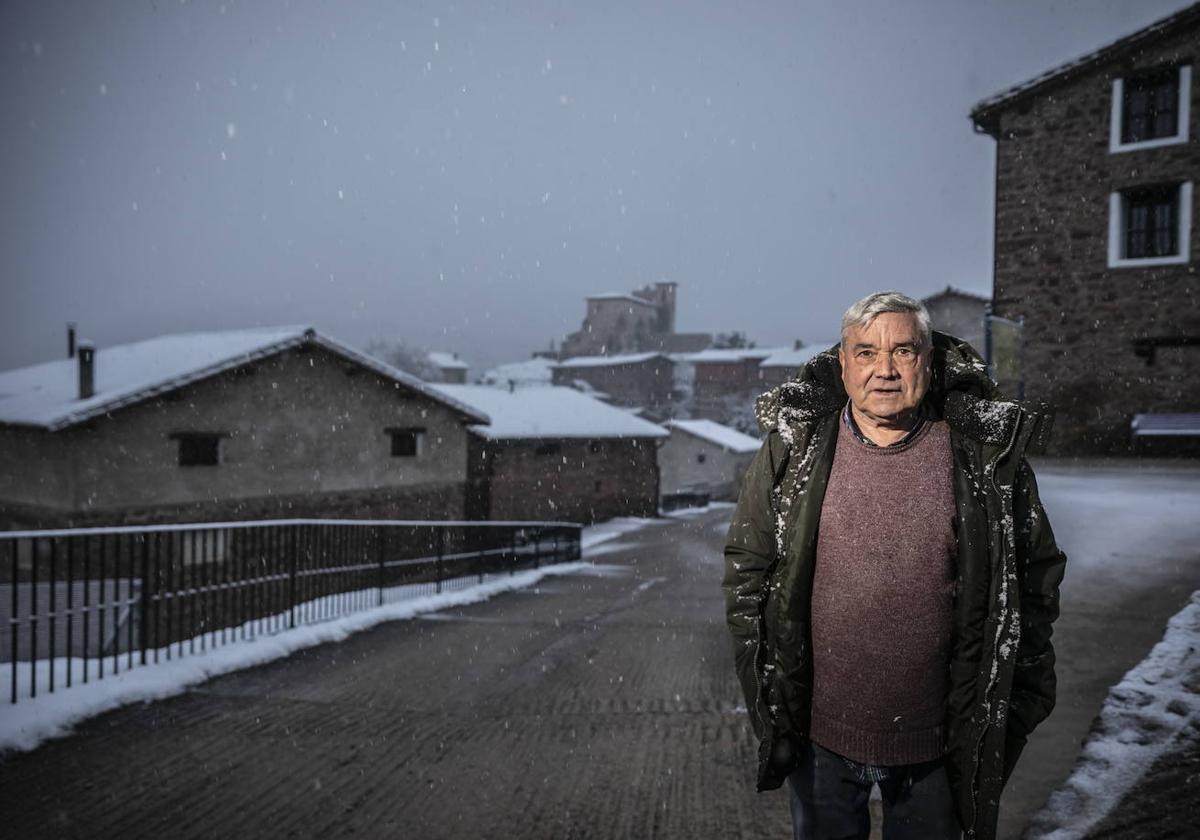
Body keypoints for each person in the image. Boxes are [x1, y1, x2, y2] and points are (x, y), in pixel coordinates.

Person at [722, 291, 1066, 840]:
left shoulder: (985, 458)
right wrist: (766, 690)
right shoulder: (796, 449)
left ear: (929, 361)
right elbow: (748, 569)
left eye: (903, 351)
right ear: (843, 363)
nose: (884, 370)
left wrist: (1018, 702)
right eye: (865, 353)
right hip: (821, 741)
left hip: (939, 748)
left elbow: (1036, 580)